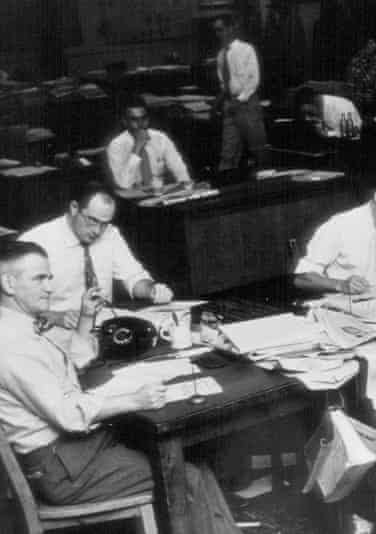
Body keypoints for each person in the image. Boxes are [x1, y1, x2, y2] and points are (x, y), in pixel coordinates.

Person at [0, 240, 240, 533]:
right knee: (187, 475)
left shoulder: (19, 326)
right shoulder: (13, 345)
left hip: (70, 455)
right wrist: (134, 400)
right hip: (63, 468)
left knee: (191, 464)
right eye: (39, 278)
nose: (49, 287)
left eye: (49, 277)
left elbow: (78, 362)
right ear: (9, 283)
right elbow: (69, 416)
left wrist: (87, 315)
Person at [19, 181, 173, 331]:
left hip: (103, 324)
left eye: (104, 223)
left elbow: (133, 277)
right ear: (74, 208)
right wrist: (54, 316)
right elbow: (14, 306)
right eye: (92, 220)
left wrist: (151, 290)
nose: (97, 231)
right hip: (56, 329)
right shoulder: (36, 241)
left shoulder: (110, 234)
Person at [214, 14, 267, 172]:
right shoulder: (221, 55)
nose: (218, 34)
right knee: (228, 154)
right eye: (216, 31)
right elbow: (225, 84)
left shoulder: (246, 49)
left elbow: (253, 80)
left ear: (231, 29)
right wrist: (219, 103)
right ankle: (227, 183)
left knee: (258, 150)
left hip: (247, 104)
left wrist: (240, 100)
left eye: (220, 29)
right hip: (230, 105)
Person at [106, 97, 192, 191]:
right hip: (131, 194)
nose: (140, 124)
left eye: (143, 118)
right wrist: (137, 148)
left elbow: (179, 168)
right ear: (124, 122)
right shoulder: (116, 146)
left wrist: (187, 187)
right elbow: (124, 184)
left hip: (159, 191)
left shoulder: (160, 138)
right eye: (134, 120)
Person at [346, 37, 376, 115]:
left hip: (373, 97)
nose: (374, 45)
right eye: (371, 43)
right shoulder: (357, 59)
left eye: (374, 43)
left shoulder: (375, 58)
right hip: (360, 98)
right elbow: (358, 80)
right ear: (365, 45)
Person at [296, 86, 363, 138]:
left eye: (308, 113)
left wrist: (327, 134)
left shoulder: (341, 108)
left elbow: (352, 133)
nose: (307, 118)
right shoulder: (320, 105)